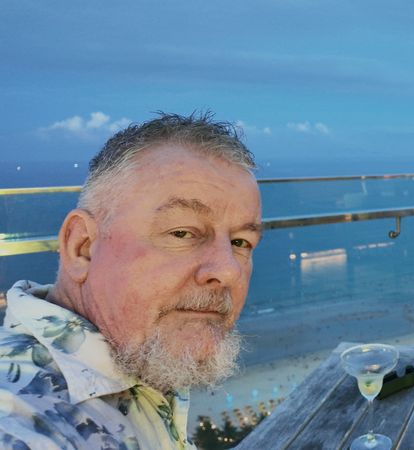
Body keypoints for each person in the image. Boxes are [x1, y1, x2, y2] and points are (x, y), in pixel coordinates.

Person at [0, 112, 263, 449]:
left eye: (240, 242)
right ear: (82, 247)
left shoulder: (140, 356)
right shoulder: (19, 420)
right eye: (182, 233)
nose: (229, 271)